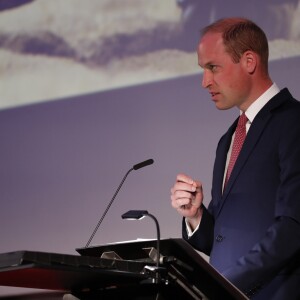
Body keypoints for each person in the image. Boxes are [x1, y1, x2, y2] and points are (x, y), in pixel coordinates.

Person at [170, 18, 300, 299]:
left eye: (212, 68)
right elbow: (219, 239)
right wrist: (196, 215)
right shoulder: (228, 139)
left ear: (249, 61)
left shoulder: (294, 122)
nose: (205, 82)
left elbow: (293, 228)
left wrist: (226, 285)